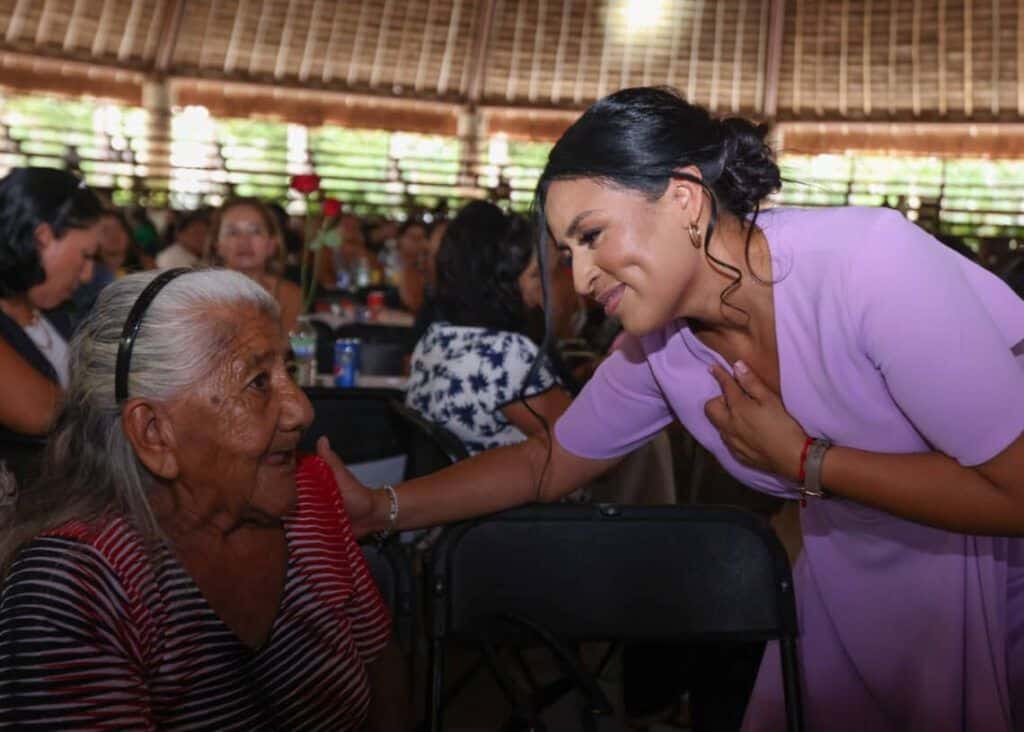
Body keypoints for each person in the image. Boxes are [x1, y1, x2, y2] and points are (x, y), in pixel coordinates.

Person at [330, 87, 1024, 731]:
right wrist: (381, 508)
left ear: (686, 199)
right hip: (852, 583)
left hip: (995, 577)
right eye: (565, 251)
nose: (580, 276)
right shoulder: (659, 348)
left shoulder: (868, 264)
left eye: (593, 234)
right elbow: (549, 459)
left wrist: (807, 462)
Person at [0, 268, 406, 730]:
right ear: (155, 432)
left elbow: (383, 671)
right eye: (258, 382)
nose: (302, 410)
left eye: (289, 370)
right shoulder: (78, 583)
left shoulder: (308, 490)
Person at [406, 201, 571, 457]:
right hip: (520, 495)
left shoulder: (437, 337)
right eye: (536, 275)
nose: (545, 288)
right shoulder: (507, 353)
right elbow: (583, 441)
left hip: (457, 489)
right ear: (503, 282)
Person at [0, 167, 103, 437]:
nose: (88, 274)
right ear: (42, 239)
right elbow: (41, 413)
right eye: (86, 255)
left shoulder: (55, 313)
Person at [208, 198, 303, 333]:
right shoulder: (199, 296)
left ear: (271, 244)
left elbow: (285, 348)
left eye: (255, 231)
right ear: (217, 245)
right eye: (233, 232)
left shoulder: (290, 295)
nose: (244, 241)